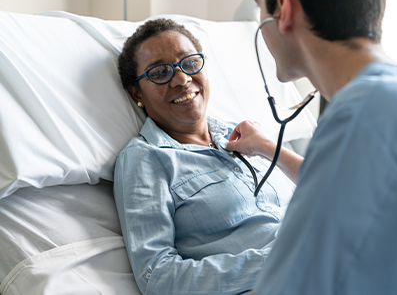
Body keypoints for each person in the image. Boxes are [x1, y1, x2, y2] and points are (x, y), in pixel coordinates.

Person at [225, 0, 397, 294]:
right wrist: (267, 147)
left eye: (258, 6)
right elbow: (362, 190)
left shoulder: (366, 115)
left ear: (283, 9)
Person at [113, 18, 297, 295]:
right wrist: (280, 262)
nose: (182, 79)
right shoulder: (145, 158)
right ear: (136, 93)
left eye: (189, 63)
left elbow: (326, 192)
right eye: (161, 72)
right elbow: (158, 276)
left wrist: (269, 147)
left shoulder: (246, 135)